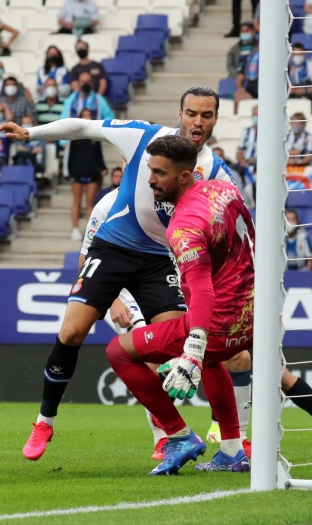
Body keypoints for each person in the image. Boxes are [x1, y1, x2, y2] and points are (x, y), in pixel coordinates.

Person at [0, 86, 235, 461]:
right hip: (113, 248)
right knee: (72, 331)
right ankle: (44, 422)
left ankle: (179, 435)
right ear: (180, 113)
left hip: (161, 260)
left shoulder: (217, 173)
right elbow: (85, 127)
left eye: (206, 115)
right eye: (191, 113)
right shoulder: (144, 136)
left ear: (216, 119)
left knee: (174, 345)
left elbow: (233, 222)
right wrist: (32, 133)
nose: (197, 122)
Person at [104, 135, 252, 475]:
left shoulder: (184, 225)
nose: (150, 180)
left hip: (219, 323)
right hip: (253, 316)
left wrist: (194, 348)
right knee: (212, 361)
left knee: (118, 352)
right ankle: (232, 450)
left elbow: (202, 290)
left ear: (184, 176)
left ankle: (178, 435)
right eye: (150, 170)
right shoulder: (224, 190)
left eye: (160, 173)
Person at [66, 108, 107, 242]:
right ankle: (75, 229)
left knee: (90, 202)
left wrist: (103, 168)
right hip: (77, 171)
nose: (86, 118)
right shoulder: (74, 136)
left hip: (92, 172)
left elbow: (99, 154)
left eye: (89, 115)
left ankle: (90, 231)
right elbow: (70, 155)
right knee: (76, 200)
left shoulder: (96, 136)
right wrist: (69, 172)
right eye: (84, 115)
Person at [288, 43, 312, 108]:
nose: (297, 57)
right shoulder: (290, 67)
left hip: (308, 94)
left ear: (304, 54)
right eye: (295, 54)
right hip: (294, 94)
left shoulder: (311, 67)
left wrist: (303, 91)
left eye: (300, 54)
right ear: (292, 55)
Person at [236, 105, 258, 179]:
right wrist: (242, 162)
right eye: (254, 115)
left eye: (258, 115)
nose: (256, 117)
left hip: (260, 164)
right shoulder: (246, 131)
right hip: (246, 164)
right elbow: (240, 151)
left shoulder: (268, 133)